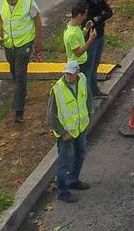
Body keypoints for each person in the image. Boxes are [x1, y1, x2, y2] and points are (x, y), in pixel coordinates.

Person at [0, 0, 43, 123]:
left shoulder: (28, 2)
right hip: (9, 44)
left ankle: (18, 111)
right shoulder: (1, 2)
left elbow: (37, 20)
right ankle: (22, 92)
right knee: (14, 72)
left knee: (20, 74)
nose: (11, 3)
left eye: (13, 0)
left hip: (25, 43)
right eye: (9, 1)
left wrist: (39, 41)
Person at [47, 60, 91, 202]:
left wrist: (88, 117)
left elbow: (87, 100)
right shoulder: (57, 89)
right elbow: (51, 115)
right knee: (64, 162)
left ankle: (73, 180)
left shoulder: (82, 80)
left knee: (80, 154)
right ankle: (62, 191)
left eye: (71, 74)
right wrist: (62, 132)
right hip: (66, 133)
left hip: (80, 127)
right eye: (67, 73)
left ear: (77, 73)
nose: (69, 76)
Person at [78, 0, 112, 98]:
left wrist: (99, 17)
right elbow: (88, 20)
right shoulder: (83, 3)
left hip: (100, 35)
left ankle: (94, 90)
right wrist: (99, 16)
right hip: (90, 38)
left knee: (95, 64)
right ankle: (87, 93)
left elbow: (109, 12)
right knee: (88, 67)